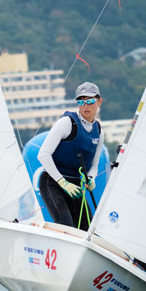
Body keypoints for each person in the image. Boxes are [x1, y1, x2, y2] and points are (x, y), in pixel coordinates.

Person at [37, 81, 104, 230]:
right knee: (65, 225)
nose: (85, 106)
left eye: (90, 101)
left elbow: (94, 165)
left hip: (75, 186)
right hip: (53, 182)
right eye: (81, 101)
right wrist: (62, 183)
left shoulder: (99, 131)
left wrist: (91, 178)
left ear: (99, 101)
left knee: (87, 229)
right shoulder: (67, 123)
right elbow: (43, 155)